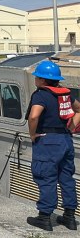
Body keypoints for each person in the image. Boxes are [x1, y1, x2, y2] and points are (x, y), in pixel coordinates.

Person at [25, 60, 79, 231]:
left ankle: (44, 217)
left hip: (48, 141)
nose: (35, 80)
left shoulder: (41, 94)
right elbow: (78, 109)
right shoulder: (66, 94)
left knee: (46, 177)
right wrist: (70, 128)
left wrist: (32, 134)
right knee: (66, 178)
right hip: (65, 140)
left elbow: (34, 116)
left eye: (37, 77)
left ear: (42, 80)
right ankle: (70, 217)